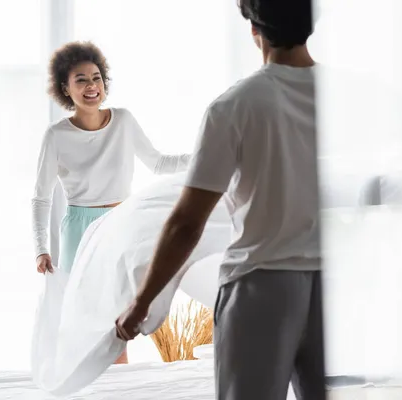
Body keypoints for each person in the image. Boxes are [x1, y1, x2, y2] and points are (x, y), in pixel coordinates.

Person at [116, 0, 325, 398]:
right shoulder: (349, 96)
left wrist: (141, 303)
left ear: (254, 31)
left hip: (261, 285)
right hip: (335, 285)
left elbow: (186, 224)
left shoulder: (234, 106)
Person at [32, 41, 191, 364]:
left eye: (96, 78)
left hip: (122, 224)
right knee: (88, 322)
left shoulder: (123, 121)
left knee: (121, 320)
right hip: (80, 230)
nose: (91, 86)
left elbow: (159, 164)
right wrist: (41, 247)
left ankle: (118, 388)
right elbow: (41, 196)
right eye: (81, 79)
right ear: (66, 87)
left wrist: (205, 157)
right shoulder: (56, 136)